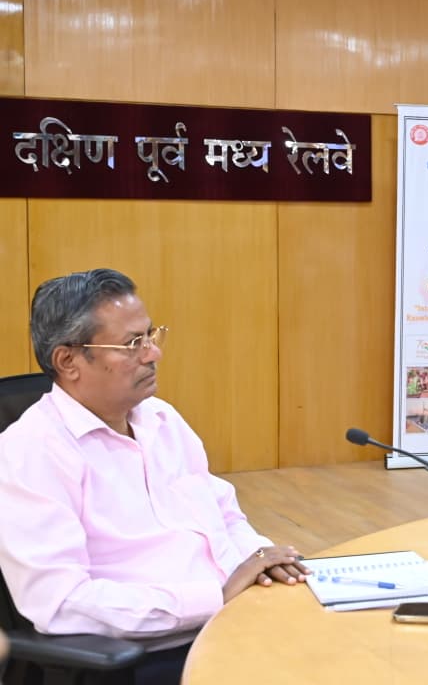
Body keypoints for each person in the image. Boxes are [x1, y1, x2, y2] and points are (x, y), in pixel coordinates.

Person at [0, 269, 310, 683]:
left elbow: (225, 516)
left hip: (237, 619)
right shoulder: (31, 453)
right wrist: (214, 597)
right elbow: (62, 604)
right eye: (133, 344)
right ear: (68, 361)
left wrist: (262, 561)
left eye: (151, 335)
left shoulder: (161, 419)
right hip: (149, 657)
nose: (153, 354)